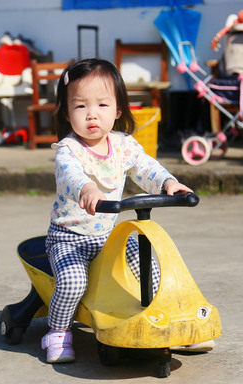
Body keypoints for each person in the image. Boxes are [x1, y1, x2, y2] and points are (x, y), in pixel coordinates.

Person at [41, 58, 211, 364]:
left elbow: (146, 168)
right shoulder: (69, 150)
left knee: (150, 266)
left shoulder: (123, 145)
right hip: (69, 238)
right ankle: (58, 330)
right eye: (80, 107)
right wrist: (88, 190)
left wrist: (168, 183)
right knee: (72, 282)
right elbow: (71, 176)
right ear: (67, 113)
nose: (92, 114)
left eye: (102, 105)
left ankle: (170, 322)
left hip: (108, 235)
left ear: (118, 109)